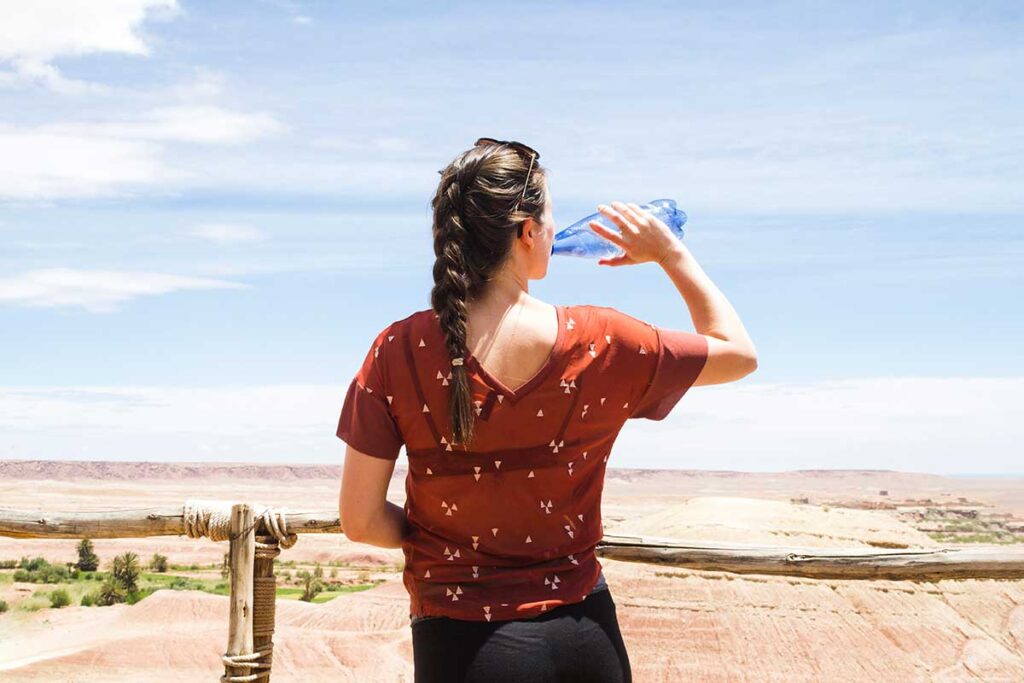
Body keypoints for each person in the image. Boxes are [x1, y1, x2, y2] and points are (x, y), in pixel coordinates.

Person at [336, 138, 758, 682]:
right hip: (589, 638)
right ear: (527, 232)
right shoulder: (602, 341)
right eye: (552, 217)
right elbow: (738, 353)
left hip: (462, 645)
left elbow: (362, 520)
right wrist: (670, 253)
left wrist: (446, 539)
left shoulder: (398, 352)